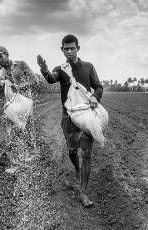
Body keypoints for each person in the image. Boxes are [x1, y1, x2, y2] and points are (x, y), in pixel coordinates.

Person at [37, 34, 103, 207]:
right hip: (68, 117)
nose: (69, 51)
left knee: (86, 153)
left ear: (78, 48)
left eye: (72, 48)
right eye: (66, 49)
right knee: (72, 152)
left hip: (87, 115)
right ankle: (76, 168)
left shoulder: (88, 67)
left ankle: (83, 192)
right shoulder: (60, 68)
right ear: (62, 50)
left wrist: (96, 96)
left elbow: (99, 86)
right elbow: (52, 79)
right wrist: (44, 70)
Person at [0, 46, 38, 174]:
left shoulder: (21, 65)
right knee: (12, 135)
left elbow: (35, 80)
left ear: (7, 54)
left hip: (25, 104)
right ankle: (17, 164)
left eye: (0, 56)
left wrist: (19, 86)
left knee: (27, 133)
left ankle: (31, 156)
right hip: (11, 108)